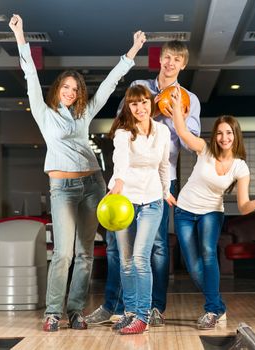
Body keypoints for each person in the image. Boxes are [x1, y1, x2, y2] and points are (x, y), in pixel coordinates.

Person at [8, 14, 146, 332]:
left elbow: (110, 85)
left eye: (75, 88)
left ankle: (75, 311)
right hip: (62, 188)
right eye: (66, 87)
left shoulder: (83, 115)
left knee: (85, 252)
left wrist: (132, 52)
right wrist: (20, 36)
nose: (70, 92)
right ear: (58, 89)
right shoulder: (43, 113)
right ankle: (53, 312)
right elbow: (30, 74)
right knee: (63, 253)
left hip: (93, 183)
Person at [86, 40, 201, 327]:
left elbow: (191, 145)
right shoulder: (140, 86)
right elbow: (121, 129)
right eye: (166, 58)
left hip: (162, 181)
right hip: (126, 185)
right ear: (159, 60)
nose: (170, 63)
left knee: (157, 247)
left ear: (183, 64)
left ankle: (152, 309)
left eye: (176, 59)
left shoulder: (188, 99)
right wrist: (119, 180)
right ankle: (118, 306)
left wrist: (174, 117)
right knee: (117, 248)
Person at [169, 86, 255, 329]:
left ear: (235, 135)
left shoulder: (240, 167)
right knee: (192, 265)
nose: (224, 137)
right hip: (184, 211)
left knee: (209, 254)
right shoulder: (205, 150)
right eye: (220, 133)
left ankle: (211, 310)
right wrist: (178, 107)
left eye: (229, 133)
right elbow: (181, 131)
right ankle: (218, 306)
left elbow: (243, 207)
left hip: (212, 212)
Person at [105, 84, 174, 335]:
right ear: (128, 106)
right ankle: (130, 312)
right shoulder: (123, 133)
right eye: (134, 103)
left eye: (144, 102)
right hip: (124, 200)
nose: (140, 108)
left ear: (151, 103)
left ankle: (142, 316)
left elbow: (164, 164)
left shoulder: (163, 131)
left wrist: (167, 191)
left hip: (152, 200)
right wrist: (119, 180)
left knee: (140, 258)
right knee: (125, 260)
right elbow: (120, 160)